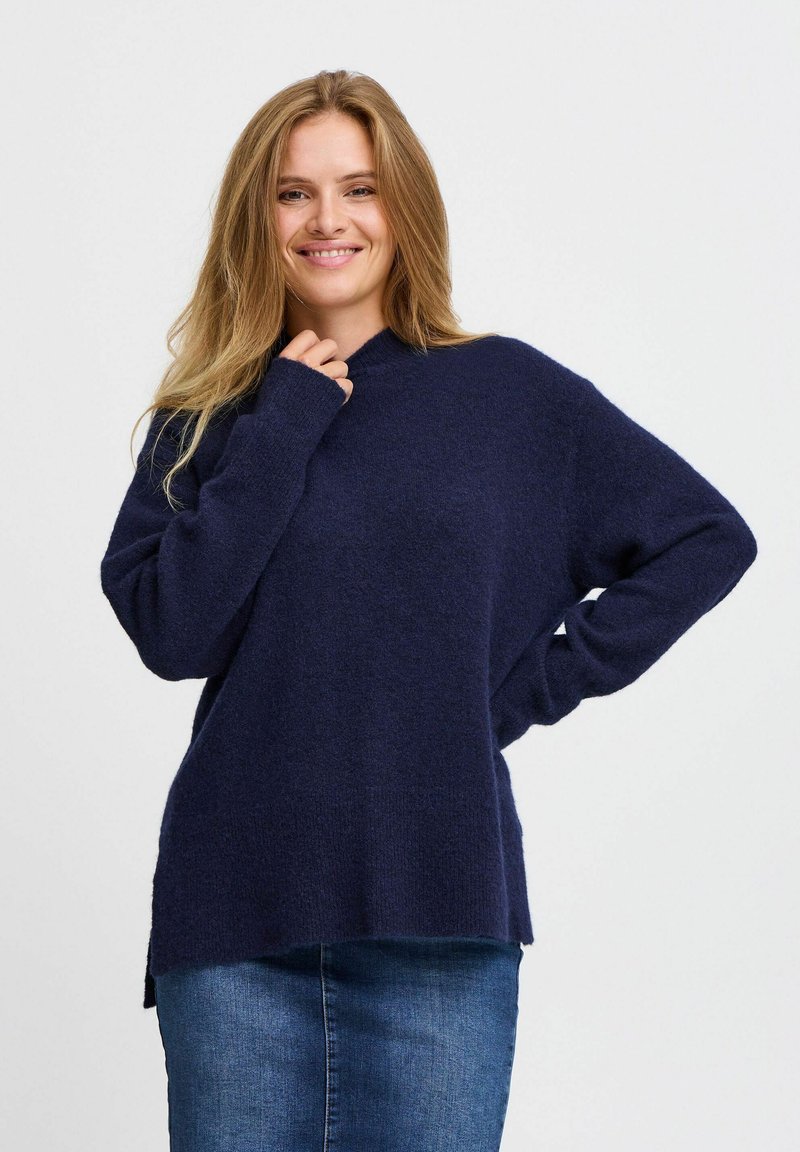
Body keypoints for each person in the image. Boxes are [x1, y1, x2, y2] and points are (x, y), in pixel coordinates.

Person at [99, 69, 757, 1151]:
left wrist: (517, 690)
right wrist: (284, 419)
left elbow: (703, 538)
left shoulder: (506, 395)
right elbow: (174, 634)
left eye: (358, 188)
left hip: (437, 915)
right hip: (234, 918)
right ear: (256, 219)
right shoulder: (208, 414)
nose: (327, 219)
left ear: (402, 207)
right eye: (293, 193)